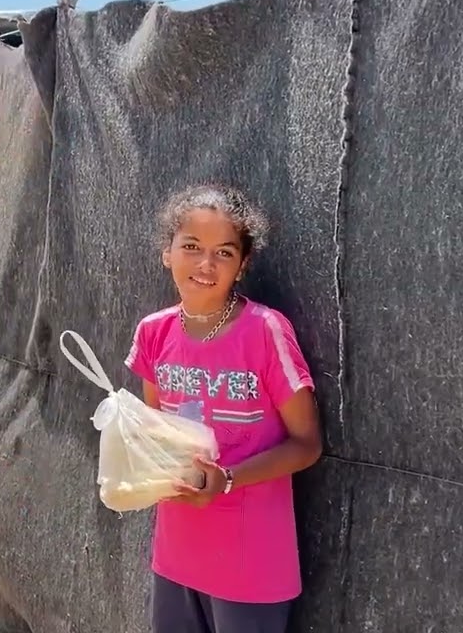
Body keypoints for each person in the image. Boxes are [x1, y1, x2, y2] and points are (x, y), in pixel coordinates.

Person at [123, 184, 323, 633]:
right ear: (166, 252)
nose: (205, 265)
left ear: (243, 264)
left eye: (224, 253)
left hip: (250, 561)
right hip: (176, 551)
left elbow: (306, 444)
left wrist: (227, 479)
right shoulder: (154, 333)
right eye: (191, 246)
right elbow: (160, 432)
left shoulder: (265, 331)